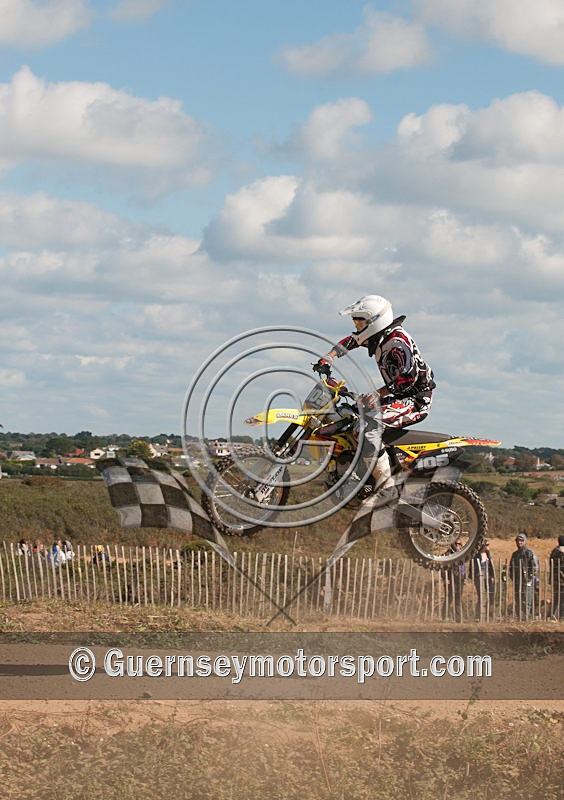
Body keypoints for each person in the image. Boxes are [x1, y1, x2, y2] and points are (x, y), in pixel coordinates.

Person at [314, 295, 435, 502]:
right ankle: (359, 473)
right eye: (356, 322)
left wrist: (377, 394)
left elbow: (408, 378)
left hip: (415, 400)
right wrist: (330, 356)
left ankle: (386, 487)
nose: (357, 326)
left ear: (375, 321)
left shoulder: (397, 342)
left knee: (366, 427)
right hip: (398, 396)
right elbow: (352, 340)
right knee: (349, 415)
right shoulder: (381, 336)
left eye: (360, 322)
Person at [509, 533, 538, 620]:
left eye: (521, 541)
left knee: (526, 599)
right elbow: (511, 567)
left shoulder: (529, 553)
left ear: (525, 541)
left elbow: (535, 566)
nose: (519, 542)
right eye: (518, 541)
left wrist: (530, 578)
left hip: (527, 581)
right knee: (518, 599)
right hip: (517, 581)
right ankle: (520, 617)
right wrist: (513, 577)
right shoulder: (515, 554)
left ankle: (525, 618)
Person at [441, 539, 466, 622]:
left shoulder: (462, 555)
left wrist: (464, 577)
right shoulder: (448, 554)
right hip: (450, 579)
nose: (458, 546)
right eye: (456, 544)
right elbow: (442, 568)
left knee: (458, 598)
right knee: (449, 598)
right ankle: (445, 616)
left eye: (459, 544)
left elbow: (463, 567)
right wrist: (445, 578)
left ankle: (458, 618)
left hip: (460, 579)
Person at [471, 540, 495, 621]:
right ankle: (478, 616)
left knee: (491, 595)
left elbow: (491, 567)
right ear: (483, 546)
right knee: (481, 596)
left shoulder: (488, 555)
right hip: (479, 577)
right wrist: (475, 576)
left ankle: (489, 614)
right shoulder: (476, 555)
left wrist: (492, 576)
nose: (488, 546)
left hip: (488, 577)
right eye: (486, 545)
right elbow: (473, 567)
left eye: (488, 545)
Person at [549, 534, 564, 621]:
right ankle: (560, 616)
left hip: (555, 579)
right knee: (562, 599)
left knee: (556, 598)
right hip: (562, 580)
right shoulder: (562, 552)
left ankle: (553, 614)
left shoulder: (554, 551)